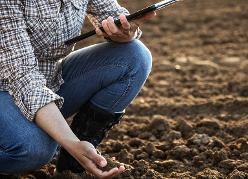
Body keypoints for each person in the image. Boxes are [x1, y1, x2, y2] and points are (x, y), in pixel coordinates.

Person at [0, 0, 156, 178]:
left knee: (134, 56)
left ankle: (72, 166)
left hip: (49, 79)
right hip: (7, 86)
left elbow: (112, 13)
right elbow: (23, 78)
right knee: (34, 149)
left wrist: (125, 32)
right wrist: (71, 142)